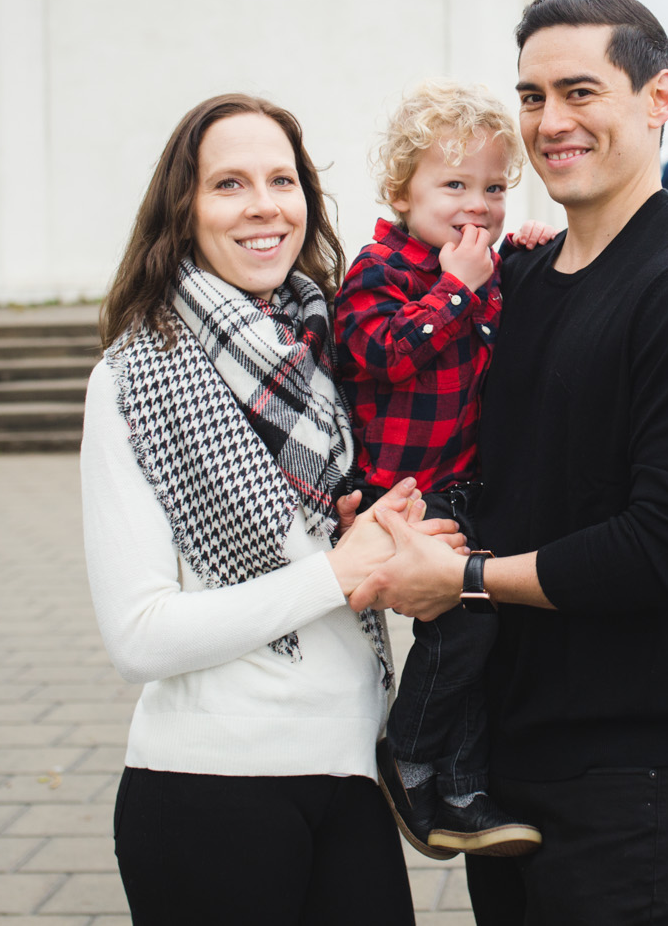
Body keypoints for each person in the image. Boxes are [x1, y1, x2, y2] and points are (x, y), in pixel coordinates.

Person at [352, 0, 668, 926]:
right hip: (507, 756)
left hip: (633, 769)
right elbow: (474, 450)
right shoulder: (522, 280)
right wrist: (390, 515)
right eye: (533, 96)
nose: (551, 121)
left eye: (580, 90)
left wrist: (461, 578)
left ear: (658, 97)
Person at [82, 92, 454, 926]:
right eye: (229, 183)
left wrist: (391, 542)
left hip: (352, 772)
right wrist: (338, 569)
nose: (264, 206)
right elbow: (138, 635)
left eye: (282, 179)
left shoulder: (325, 353)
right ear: (183, 209)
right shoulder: (136, 377)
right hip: (209, 793)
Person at [330, 80, 553, 859]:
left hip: (460, 490)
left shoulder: (481, 268)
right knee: (465, 628)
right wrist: (460, 287)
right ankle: (408, 755)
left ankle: (461, 794)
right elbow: (383, 352)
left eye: (494, 187)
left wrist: (518, 260)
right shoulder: (378, 271)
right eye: (453, 184)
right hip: (399, 497)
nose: (478, 204)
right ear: (401, 192)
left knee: (481, 636)